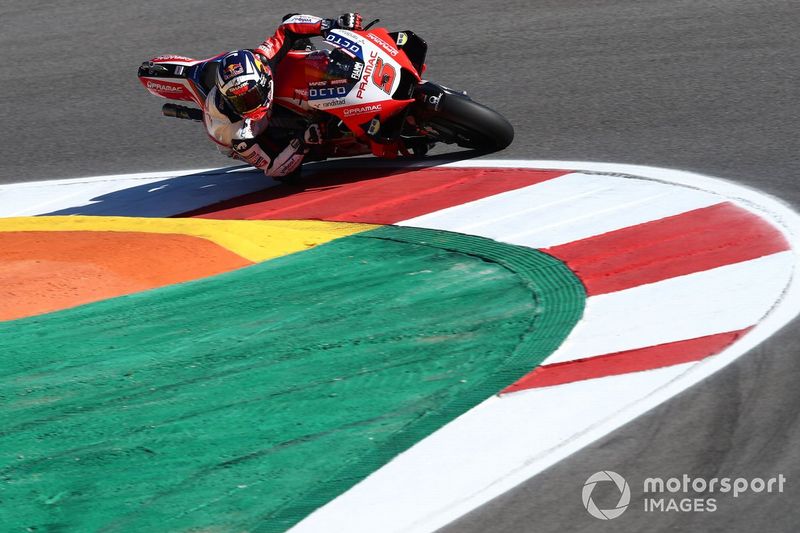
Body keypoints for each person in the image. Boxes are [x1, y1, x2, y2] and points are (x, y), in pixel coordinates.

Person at [203, 13, 363, 178]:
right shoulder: (239, 136)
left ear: (262, 79)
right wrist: (302, 141)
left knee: (297, 36)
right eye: (240, 102)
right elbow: (273, 168)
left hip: (275, 93)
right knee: (290, 176)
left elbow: (288, 26)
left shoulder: (263, 60)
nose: (249, 106)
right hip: (260, 134)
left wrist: (331, 25)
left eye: (252, 97)